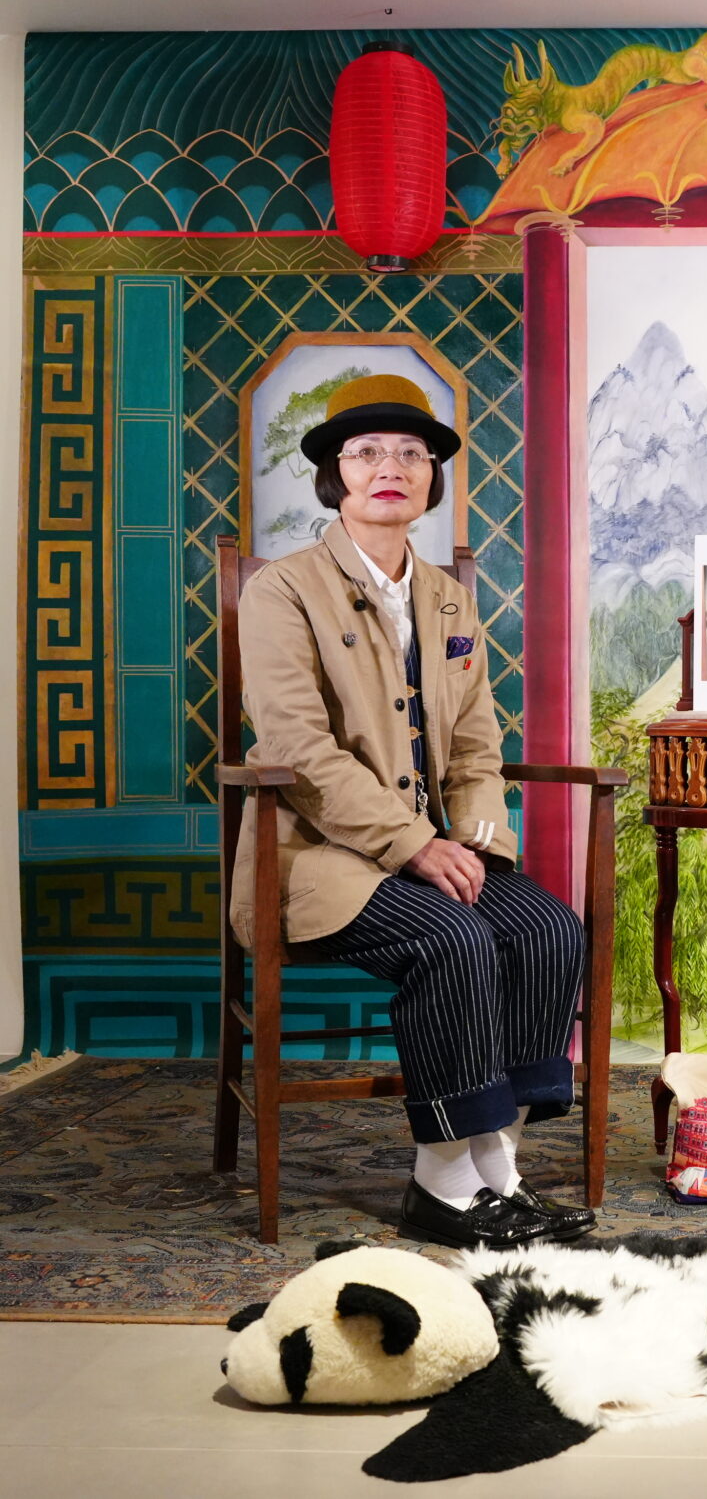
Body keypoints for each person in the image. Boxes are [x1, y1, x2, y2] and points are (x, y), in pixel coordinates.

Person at [231, 374, 595, 1251]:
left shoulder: (447, 596)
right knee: (453, 939)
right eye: (366, 453)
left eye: (411, 454)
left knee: (548, 929)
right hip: (314, 856)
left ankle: (498, 1172)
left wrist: (474, 846)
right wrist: (414, 846)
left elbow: (475, 744)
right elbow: (297, 749)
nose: (389, 468)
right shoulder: (282, 590)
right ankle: (442, 1188)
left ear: (431, 478)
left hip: (434, 845)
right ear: (335, 476)